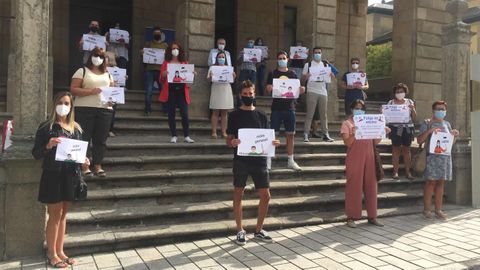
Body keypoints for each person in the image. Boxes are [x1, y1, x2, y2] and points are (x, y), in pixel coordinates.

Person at [32, 92, 89, 268]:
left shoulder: (76, 128)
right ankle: (52, 253)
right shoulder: (46, 127)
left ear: (71, 107)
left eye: (67, 103)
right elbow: (36, 153)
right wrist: (48, 145)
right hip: (53, 175)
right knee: (55, 215)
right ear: (54, 104)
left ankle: (60, 250)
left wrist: (85, 162)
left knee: (63, 215)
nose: (63, 106)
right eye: (60, 102)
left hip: (71, 175)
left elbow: (81, 153)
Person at [226, 80, 280, 245]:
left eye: (251, 94)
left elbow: (267, 138)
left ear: (254, 94)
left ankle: (258, 230)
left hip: (259, 160)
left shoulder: (262, 115)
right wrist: (232, 143)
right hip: (241, 160)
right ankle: (240, 230)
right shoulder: (234, 115)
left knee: (266, 195)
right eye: (245, 94)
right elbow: (228, 140)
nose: (248, 96)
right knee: (238, 193)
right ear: (240, 95)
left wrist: (274, 143)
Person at [340, 99, 391, 228]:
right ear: (352, 109)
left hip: (370, 157)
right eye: (356, 108)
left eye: (361, 108)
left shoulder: (368, 122)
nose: (359, 110)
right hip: (354, 157)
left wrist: (382, 131)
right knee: (354, 186)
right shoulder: (347, 123)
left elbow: (375, 142)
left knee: (371, 186)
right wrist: (353, 133)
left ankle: (372, 216)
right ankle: (351, 217)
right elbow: (347, 143)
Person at [70, 48, 114, 177]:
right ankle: (84, 165)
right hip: (84, 108)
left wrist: (112, 100)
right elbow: (73, 89)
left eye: (100, 56)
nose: (98, 58)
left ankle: (98, 164)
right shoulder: (82, 71)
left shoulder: (108, 74)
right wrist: (90, 91)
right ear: (91, 57)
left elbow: (111, 91)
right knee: (84, 138)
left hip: (104, 109)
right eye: (95, 55)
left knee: (100, 139)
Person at [417, 101, 459, 220]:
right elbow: (419, 140)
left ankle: (438, 210)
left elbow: (450, 143)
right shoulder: (427, 123)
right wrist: (429, 131)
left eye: (442, 109)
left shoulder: (447, 124)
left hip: (444, 157)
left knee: (441, 183)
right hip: (432, 158)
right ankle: (427, 210)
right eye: (438, 109)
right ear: (433, 110)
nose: (440, 111)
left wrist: (454, 135)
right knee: (430, 183)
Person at [266, 51, 305, 171]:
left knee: (290, 135)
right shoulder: (272, 73)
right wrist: (270, 88)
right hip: (277, 108)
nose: (282, 59)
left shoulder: (292, 74)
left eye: (284, 58)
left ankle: (290, 160)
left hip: (290, 108)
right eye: (279, 58)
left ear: (287, 59)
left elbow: (297, 90)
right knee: (273, 135)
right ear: (277, 60)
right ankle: (268, 160)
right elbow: (267, 89)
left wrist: (301, 90)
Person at [159, 42, 195, 143]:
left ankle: (186, 135)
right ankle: (174, 135)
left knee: (184, 113)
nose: (175, 50)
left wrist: (192, 74)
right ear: (170, 51)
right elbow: (161, 79)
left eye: (177, 48)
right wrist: (164, 74)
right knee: (171, 113)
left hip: (182, 90)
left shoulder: (184, 63)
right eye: (173, 48)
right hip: (170, 90)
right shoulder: (166, 63)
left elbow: (188, 78)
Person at [301, 47, 335, 142]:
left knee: (323, 115)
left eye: (319, 52)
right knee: (310, 114)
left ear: (321, 53)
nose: (317, 54)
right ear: (313, 54)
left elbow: (332, 76)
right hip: (312, 91)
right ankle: (306, 134)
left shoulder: (325, 65)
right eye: (316, 52)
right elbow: (302, 80)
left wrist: (331, 75)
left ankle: (325, 134)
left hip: (323, 92)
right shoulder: (308, 65)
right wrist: (306, 77)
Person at [386, 83, 416, 180]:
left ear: (405, 92)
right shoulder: (390, 103)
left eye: (401, 91)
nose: (399, 93)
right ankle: (395, 172)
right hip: (395, 128)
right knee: (396, 150)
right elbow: (386, 116)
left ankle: (408, 172)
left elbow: (414, 118)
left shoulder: (409, 102)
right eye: (397, 92)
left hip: (407, 128)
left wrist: (413, 109)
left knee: (407, 150)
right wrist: (382, 112)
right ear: (394, 93)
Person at [208, 51, 235, 139]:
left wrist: (234, 76)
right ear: (216, 58)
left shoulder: (229, 68)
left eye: (223, 57)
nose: (221, 59)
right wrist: (211, 77)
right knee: (215, 112)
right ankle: (214, 132)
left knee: (224, 113)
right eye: (219, 57)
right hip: (216, 89)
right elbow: (208, 79)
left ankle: (224, 132)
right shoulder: (212, 67)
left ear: (225, 59)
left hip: (226, 90)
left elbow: (232, 80)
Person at [142, 26, 168, 116]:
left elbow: (168, 58)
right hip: (149, 70)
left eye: (158, 33)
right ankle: (147, 110)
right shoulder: (148, 44)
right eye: (155, 33)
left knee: (163, 91)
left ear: (161, 34)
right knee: (149, 91)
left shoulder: (165, 45)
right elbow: (143, 56)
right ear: (153, 34)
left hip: (161, 71)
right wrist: (142, 53)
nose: (157, 34)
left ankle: (165, 110)